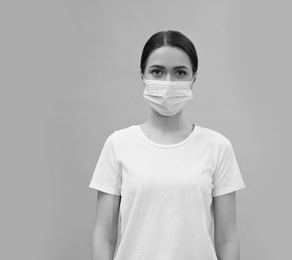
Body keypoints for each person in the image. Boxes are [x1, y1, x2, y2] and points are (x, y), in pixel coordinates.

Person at [89, 30, 246, 260]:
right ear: (143, 75)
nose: (168, 82)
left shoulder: (217, 147)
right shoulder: (118, 145)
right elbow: (105, 236)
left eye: (180, 72)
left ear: (193, 78)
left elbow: (227, 238)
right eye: (158, 72)